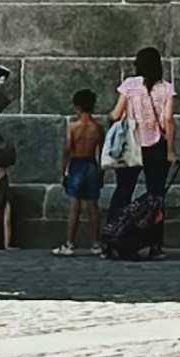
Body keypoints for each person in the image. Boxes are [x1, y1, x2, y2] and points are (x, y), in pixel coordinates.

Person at [111, 45, 177, 251]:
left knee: (123, 191)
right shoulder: (166, 88)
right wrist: (171, 151)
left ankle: (113, 236)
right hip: (156, 147)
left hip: (131, 145)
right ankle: (154, 243)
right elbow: (168, 120)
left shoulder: (130, 85)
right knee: (156, 197)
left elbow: (115, 114)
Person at [59, 87, 106, 255]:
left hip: (77, 163)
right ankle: (96, 243)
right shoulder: (98, 128)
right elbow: (101, 152)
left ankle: (69, 243)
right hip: (92, 164)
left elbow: (67, 149)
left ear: (77, 107)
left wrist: (63, 170)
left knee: (75, 206)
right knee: (93, 205)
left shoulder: (73, 127)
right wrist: (101, 171)